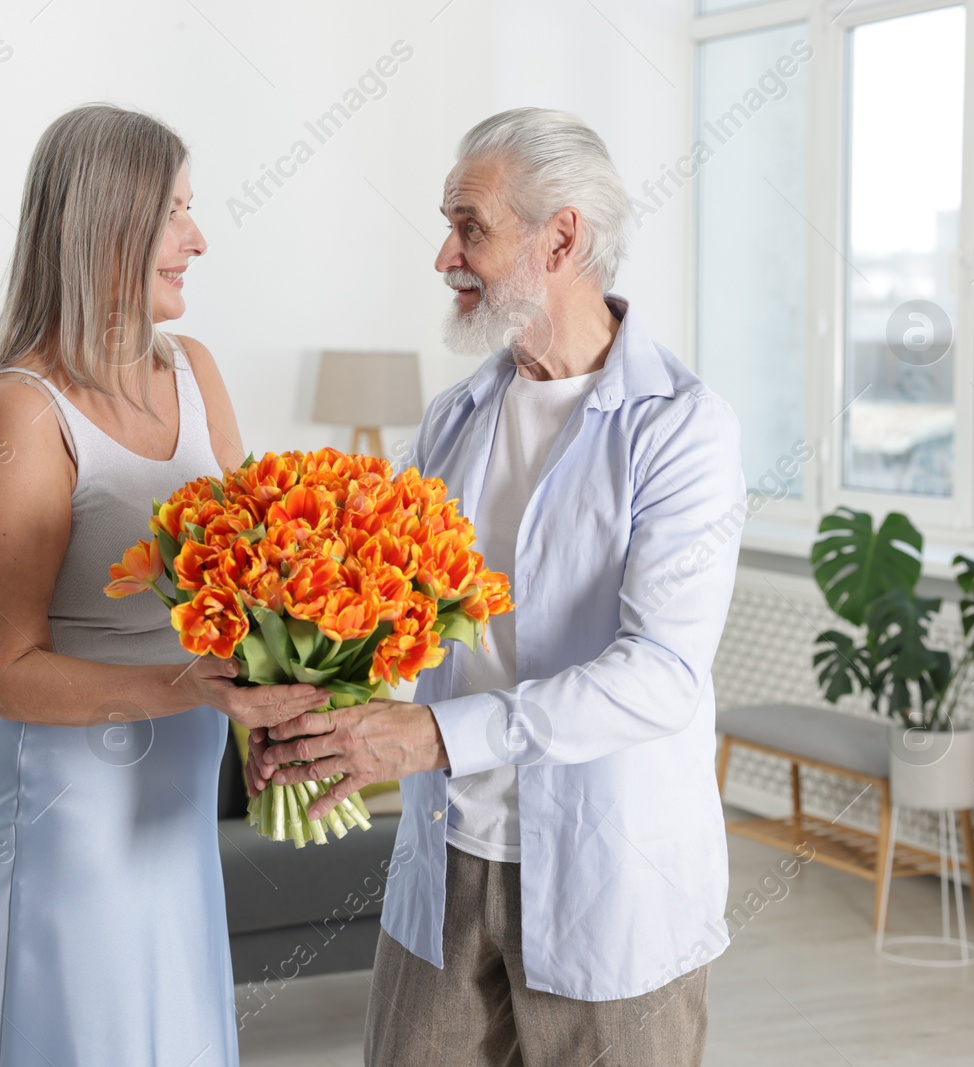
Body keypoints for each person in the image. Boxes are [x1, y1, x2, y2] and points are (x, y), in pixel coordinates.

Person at [249, 107, 745, 1065]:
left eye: (470, 225)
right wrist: (311, 718)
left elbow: (661, 674)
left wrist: (431, 735)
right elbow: (397, 618)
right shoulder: (456, 416)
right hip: (448, 864)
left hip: (615, 880)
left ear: (561, 235)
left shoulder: (683, 428)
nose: (445, 255)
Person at [0, 104, 330, 1067]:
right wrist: (186, 688)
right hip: (65, 820)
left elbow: (250, 580)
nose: (197, 240)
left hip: (175, 802)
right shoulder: (21, 414)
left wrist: (307, 678)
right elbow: (9, 671)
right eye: (176, 214)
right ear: (108, 224)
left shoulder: (194, 371)